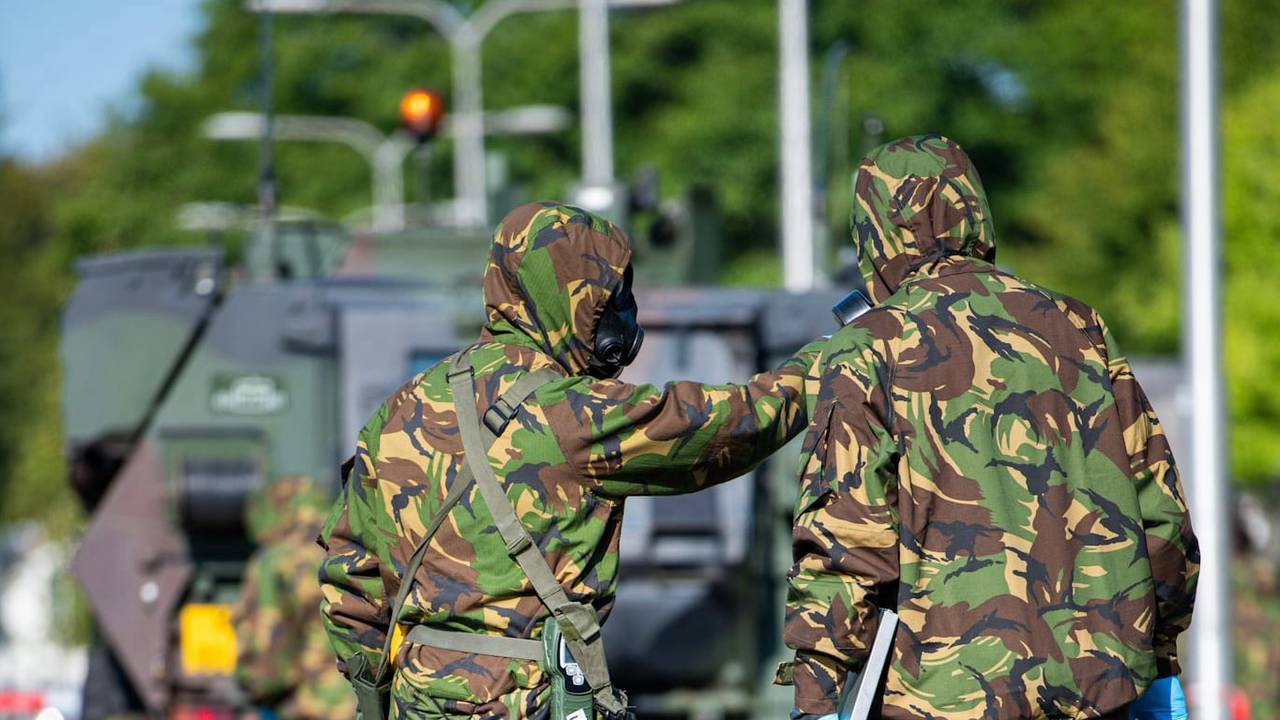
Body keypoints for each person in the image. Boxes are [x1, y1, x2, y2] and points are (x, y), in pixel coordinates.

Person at [319, 201, 823, 719]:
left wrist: (379, 698)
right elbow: (736, 425)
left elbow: (349, 573)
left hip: (417, 699)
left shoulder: (400, 410)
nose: (623, 320)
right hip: (526, 702)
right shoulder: (572, 413)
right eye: (611, 300)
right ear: (570, 297)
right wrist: (828, 364)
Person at [780, 135, 1199, 720]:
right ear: (974, 210)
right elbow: (1161, 519)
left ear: (873, 234)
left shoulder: (870, 345)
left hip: (940, 698)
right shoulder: (1079, 328)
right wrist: (1159, 665)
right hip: (1097, 693)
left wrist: (817, 696)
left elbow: (846, 542)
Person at [232, 475, 357, 720]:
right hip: (375, 705)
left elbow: (267, 667)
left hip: (315, 707)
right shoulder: (357, 547)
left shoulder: (278, 562)